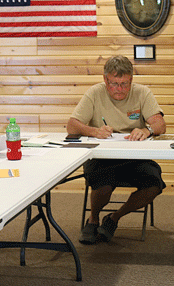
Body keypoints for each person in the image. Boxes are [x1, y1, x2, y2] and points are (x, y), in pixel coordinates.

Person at [67, 55, 166, 244]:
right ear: (105, 80)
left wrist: (147, 130)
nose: (119, 89)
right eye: (114, 84)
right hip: (102, 157)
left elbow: (160, 124)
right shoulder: (94, 93)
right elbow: (72, 126)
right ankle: (93, 219)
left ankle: (113, 218)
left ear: (131, 80)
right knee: (102, 184)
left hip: (135, 157)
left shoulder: (142, 92)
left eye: (124, 84)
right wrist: (93, 131)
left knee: (154, 184)